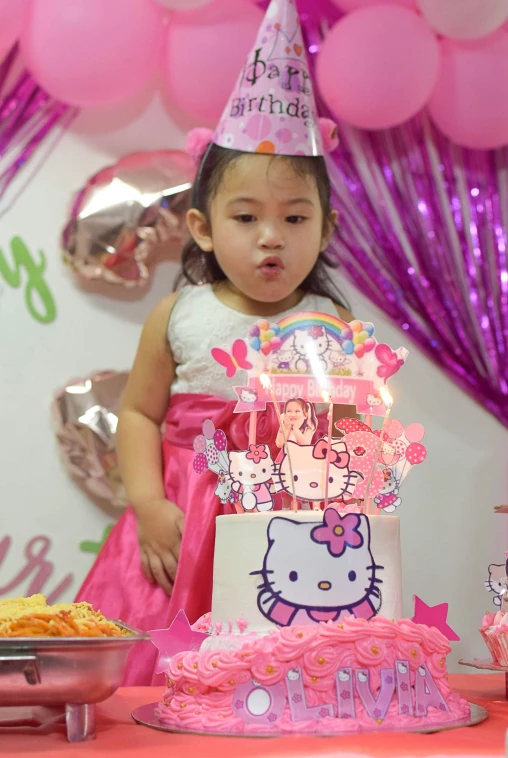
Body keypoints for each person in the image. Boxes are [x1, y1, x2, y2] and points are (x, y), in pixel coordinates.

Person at [74, 0, 353, 685]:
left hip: (284, 529)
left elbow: (346, 434)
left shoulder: (329, 326)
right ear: (201, 226)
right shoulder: (179, 314)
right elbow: (138, 413)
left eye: (294, 216)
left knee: (274, 676)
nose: (270, 236)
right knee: (150, 676)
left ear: (325, 228)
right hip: (180, 519)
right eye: (246, 215)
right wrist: (146, 503)